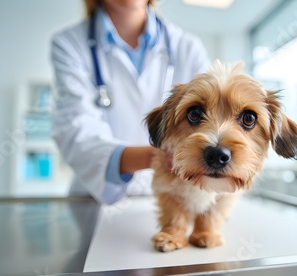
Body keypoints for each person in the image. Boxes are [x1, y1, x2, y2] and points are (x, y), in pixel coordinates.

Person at [50, 0, 210, 204]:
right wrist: (156, 156)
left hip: (177, 195)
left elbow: (210, 123)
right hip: (97, 198)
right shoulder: (70, 44)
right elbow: (75, 130)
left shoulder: (188, 47)